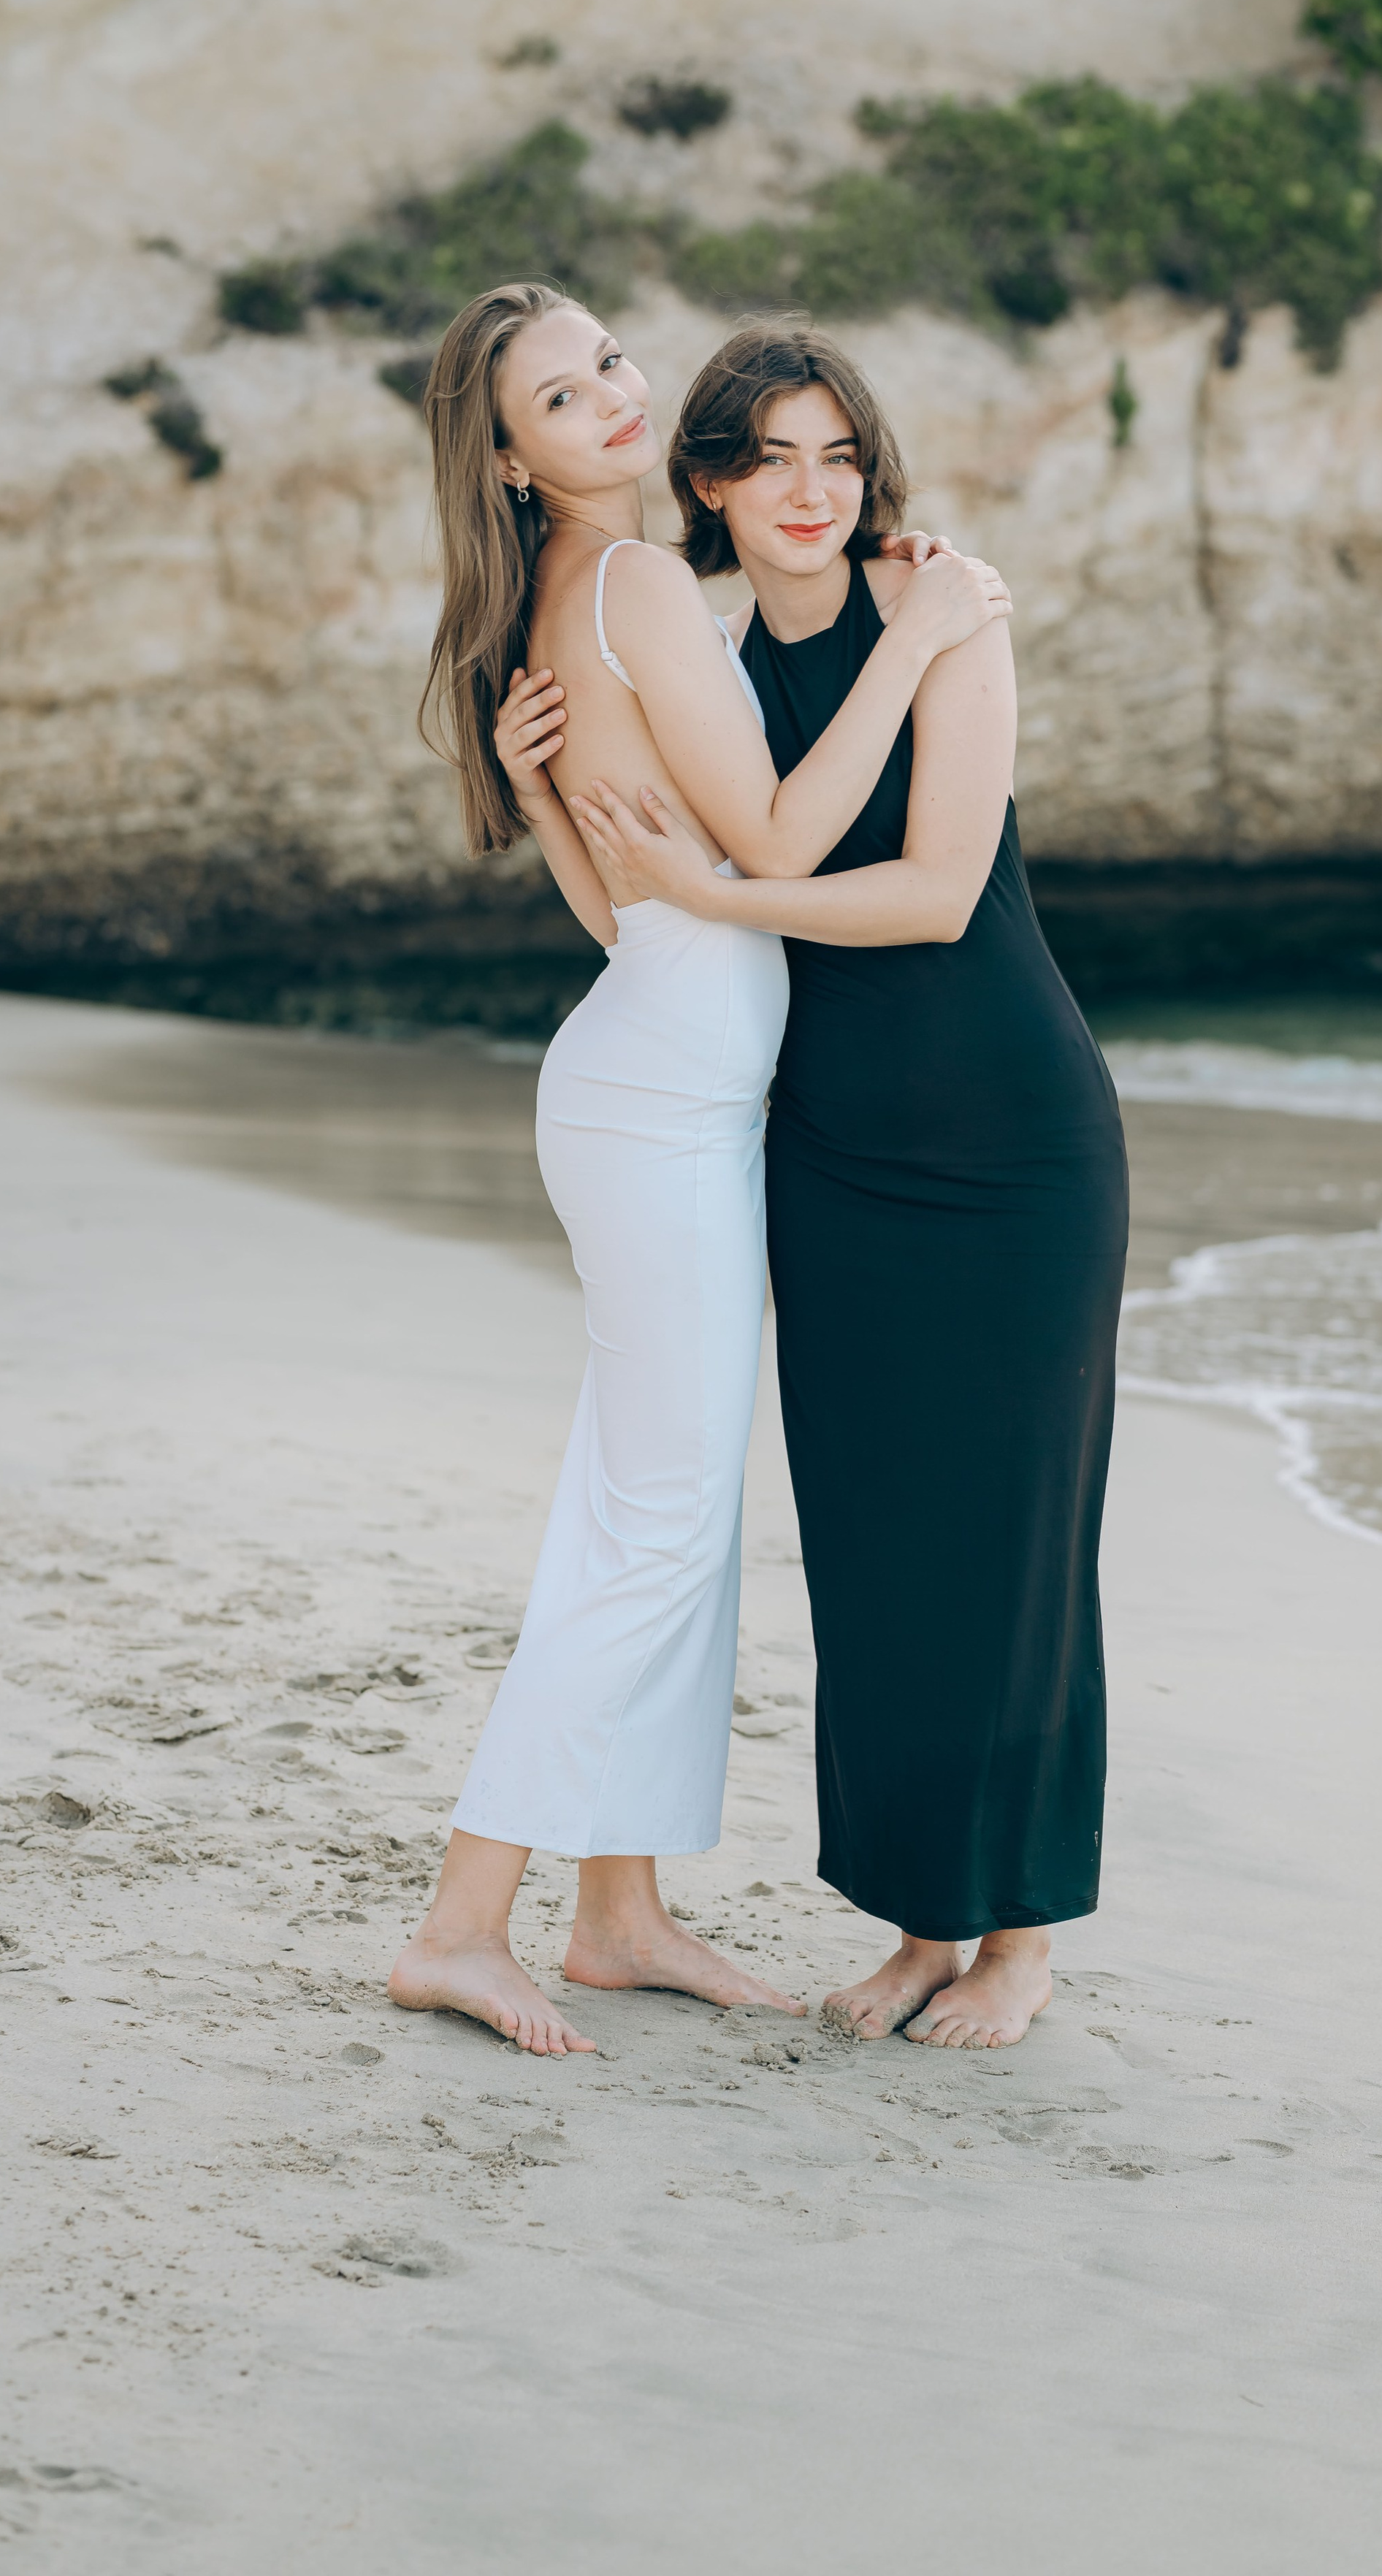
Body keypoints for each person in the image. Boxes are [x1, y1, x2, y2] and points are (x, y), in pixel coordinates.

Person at [386, 283, 1009, 2057]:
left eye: (605, 364)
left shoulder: (574, 600)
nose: (607, 396)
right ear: (510, 457)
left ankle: (619, 1910)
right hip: (658, 1108)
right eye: (558, 396)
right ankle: (461, 1922)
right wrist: (925, 633)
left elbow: (627, 905)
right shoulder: (641, 584)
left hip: (650, 1073)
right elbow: (777, 841)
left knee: (650, 1503)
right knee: (654, 1528)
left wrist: (561, 824)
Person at [568, 322, 1129, 2051]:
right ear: (710, 484)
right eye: (767, 459)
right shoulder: (713, 667)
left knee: (1019, 1541)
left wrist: (721, 895)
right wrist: (547, 776)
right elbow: (635, 899)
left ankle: (1020, 1937)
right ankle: (919, 1922)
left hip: (1012, 1140)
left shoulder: (944, 621)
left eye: (837, 458)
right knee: (882, 1543)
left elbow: (937, 892)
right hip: (830, 1150)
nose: (808, 493)